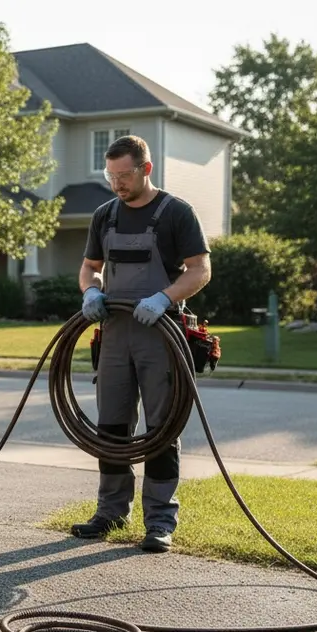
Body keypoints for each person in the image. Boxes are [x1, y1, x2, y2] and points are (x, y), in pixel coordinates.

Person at [75, 135, 212, 553]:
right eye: (110, 176)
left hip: (160, 334)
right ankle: (111, 512)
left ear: (146, 169)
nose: (117, 183)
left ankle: (159, 522)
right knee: (111, 428)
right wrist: (91, 290)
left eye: (124, 175)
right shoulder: (105, 215)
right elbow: (90, 267)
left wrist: (164, 298)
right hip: (116, 334)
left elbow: (200, 269)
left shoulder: (176, 213)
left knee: (161, 430)